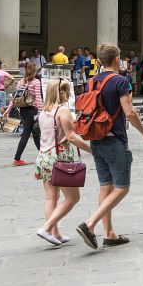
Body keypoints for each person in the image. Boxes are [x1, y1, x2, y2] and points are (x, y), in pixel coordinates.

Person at [76, 43, 143, 250]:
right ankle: (90, 224)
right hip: (114, 139)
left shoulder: (91, 82)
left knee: (105, 186)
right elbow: (129, 112)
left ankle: (109, 234)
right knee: (122, 188)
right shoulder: (120, 81)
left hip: (96, 139)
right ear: (117, 59)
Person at [35, 79, 92, 246]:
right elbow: (71, 137)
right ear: (61, 92)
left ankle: (56, 234)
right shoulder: (63, 110)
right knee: (73, 197)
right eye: (67, 91)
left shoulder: (44, 112)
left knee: (50, 198)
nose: (69, 94)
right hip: (59, 159)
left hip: (44, 157)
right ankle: (46, 228)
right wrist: (91, 150)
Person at [8, 61, 43, 167]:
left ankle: (43, 155)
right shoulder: (36, 82)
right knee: (26, 134)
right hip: (32, 110)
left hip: (23, 110)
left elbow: (15, 98)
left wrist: (7, 110)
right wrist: (42, 112)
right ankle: (17, 158)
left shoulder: (20, 82)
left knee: (35, 134)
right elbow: (38, 98)